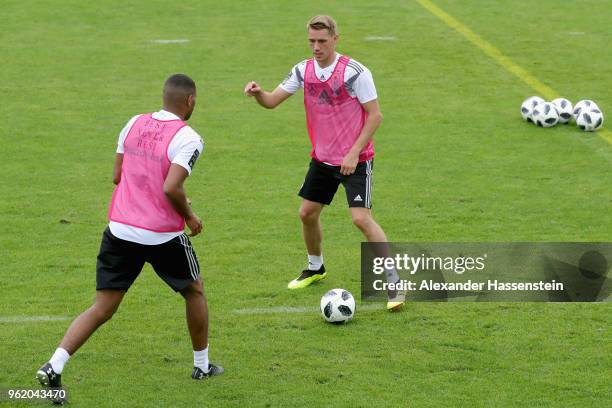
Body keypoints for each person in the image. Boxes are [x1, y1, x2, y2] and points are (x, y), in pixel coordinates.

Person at [37, 74, 223, 402]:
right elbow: (170, 187)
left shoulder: (134, 122)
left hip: (120, 229)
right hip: (161, 235)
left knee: (102, 307)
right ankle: (202, 366)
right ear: (190, 101)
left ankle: (55, 364)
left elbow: (117, 177)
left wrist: (173, 196)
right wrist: (189, 215)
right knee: (194, 290)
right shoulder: (190, 137)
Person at [244, 16, 404, 310]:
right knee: (307, 213)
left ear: (335, 39)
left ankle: (394, 282)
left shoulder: (355, 73)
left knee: (360, 219)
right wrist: (258, 94)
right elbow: (271, 101)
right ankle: (315, 268)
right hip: (323, 159)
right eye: (311, 41)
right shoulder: (303, 70)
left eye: (321, 41)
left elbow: (375, 115)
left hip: (355, 159)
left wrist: (354, 152)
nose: (316, 47)